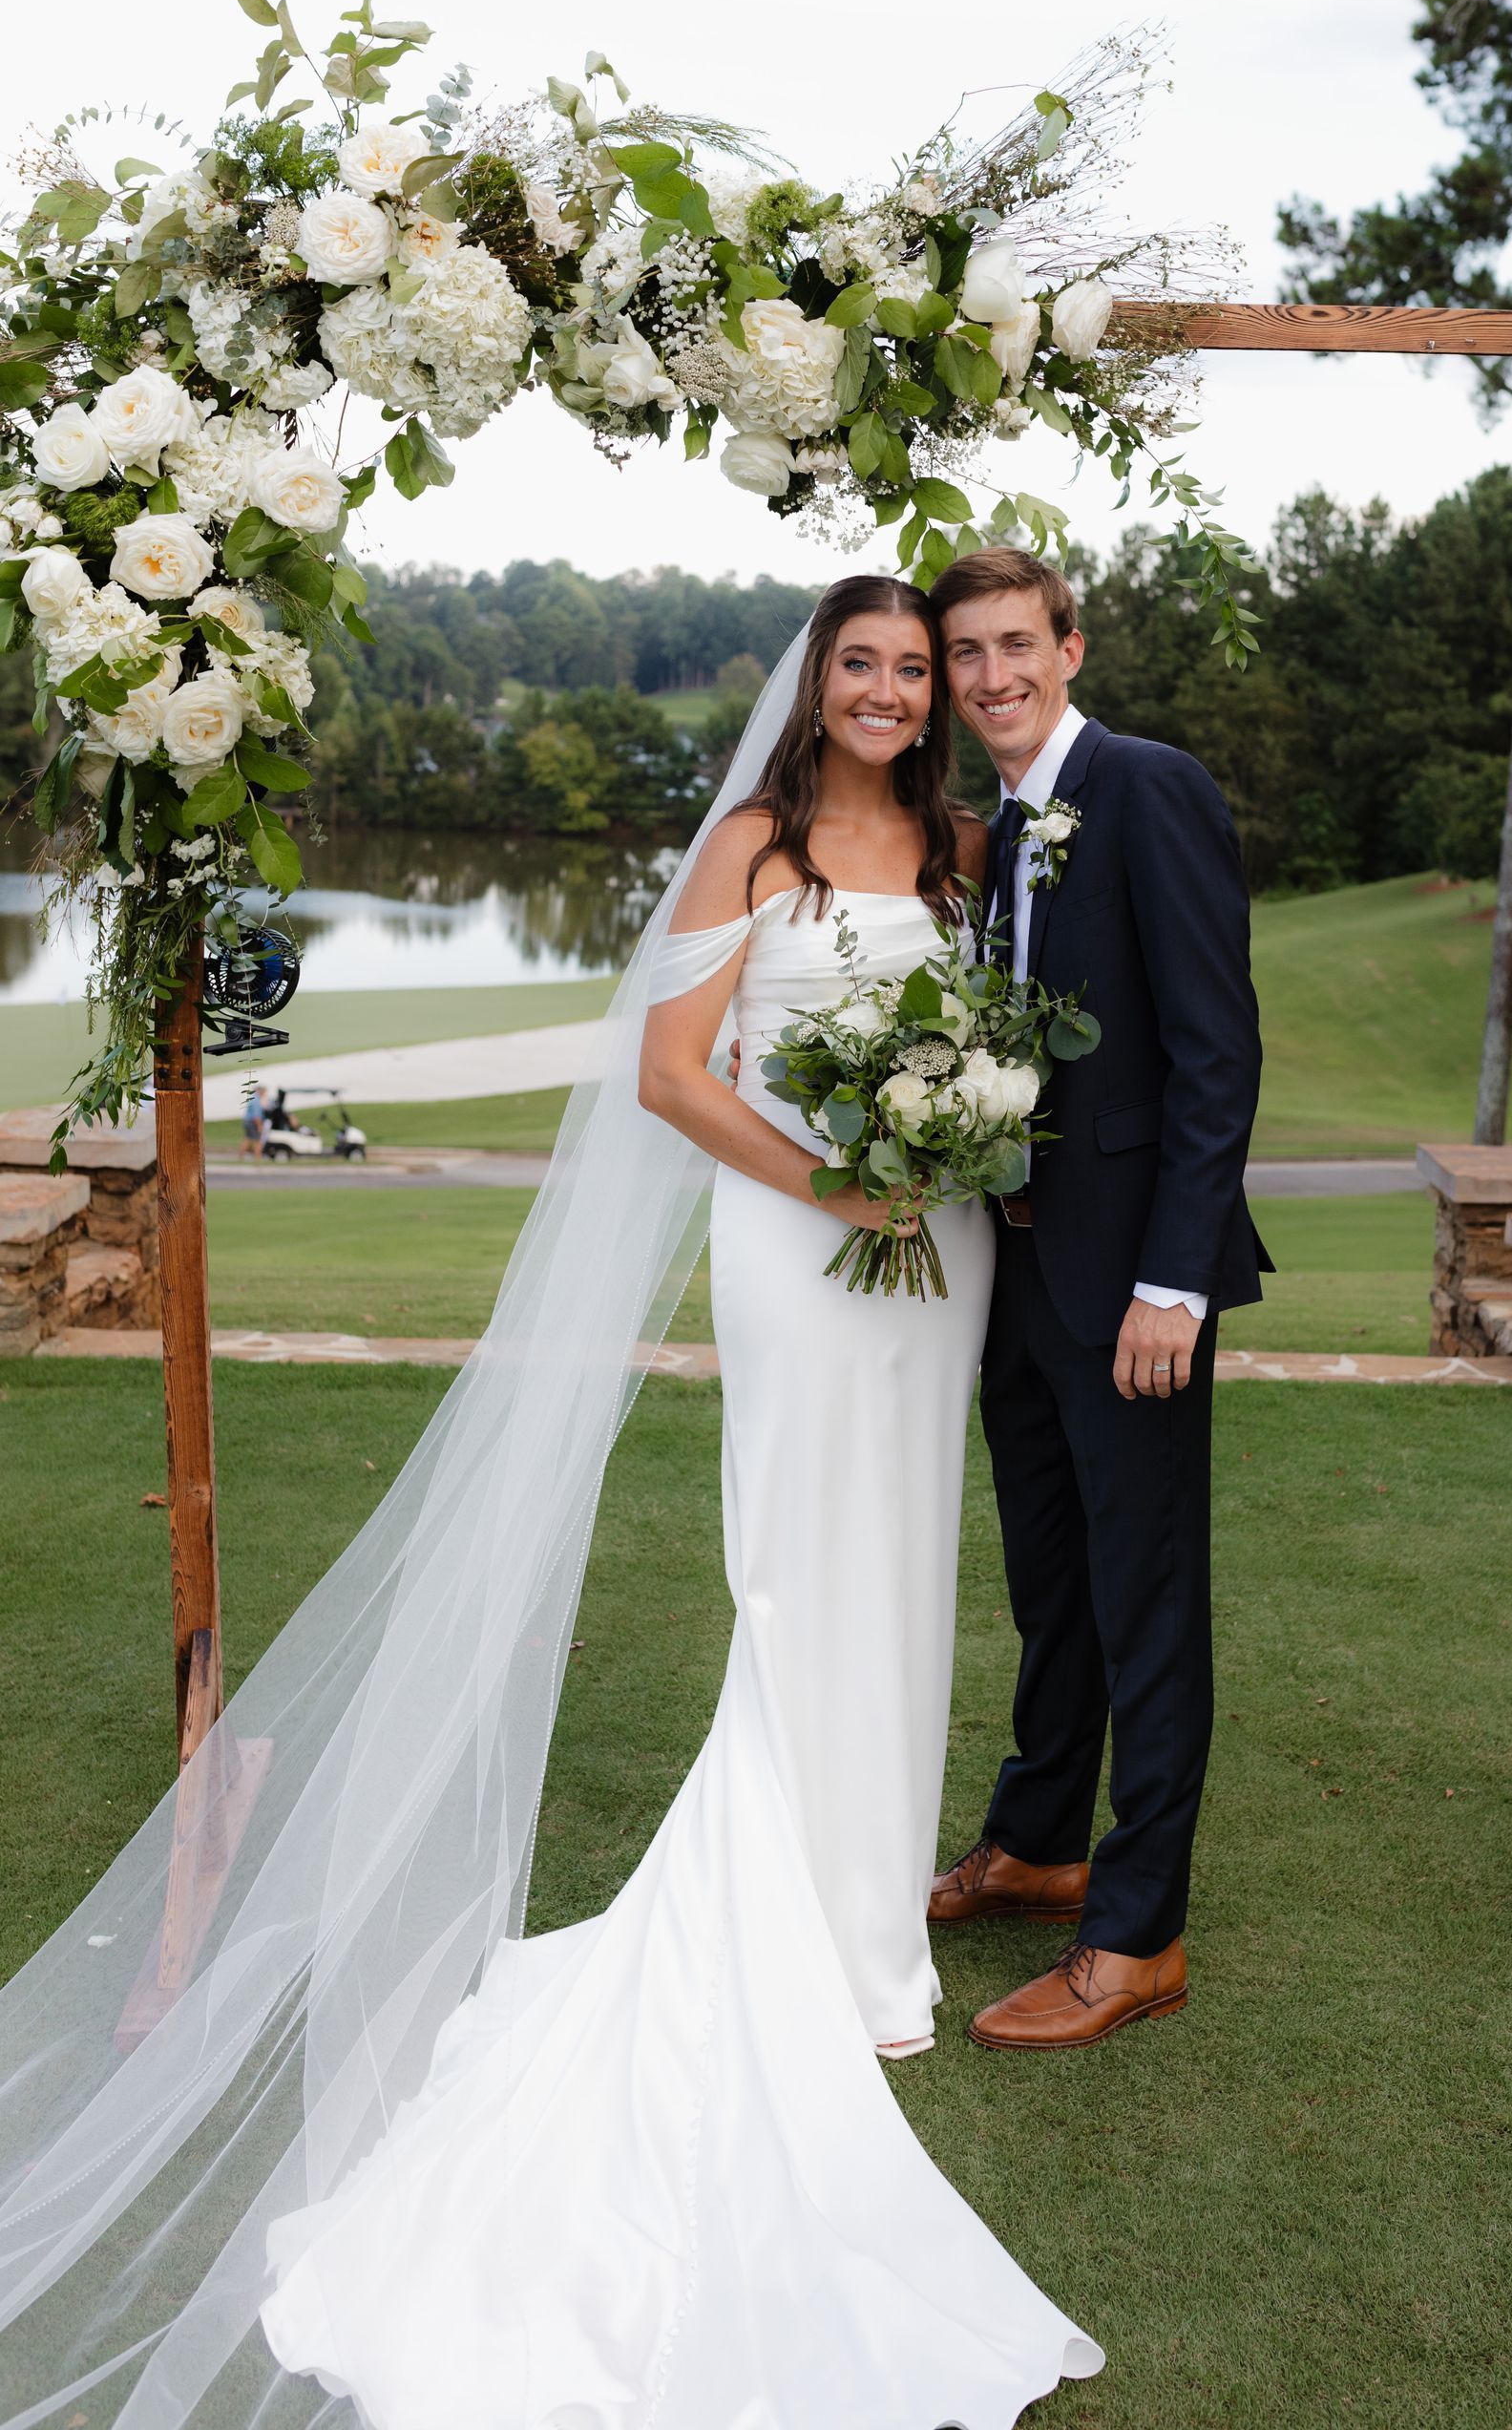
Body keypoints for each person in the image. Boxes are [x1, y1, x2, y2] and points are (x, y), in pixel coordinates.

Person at [0, 582, 1102, 2427]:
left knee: (909, 1574)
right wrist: (836, 1188)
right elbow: (673, 1077)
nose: (900, 692)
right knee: (796, 1573)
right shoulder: (752, 843)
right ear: (817, 684)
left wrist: (942, 1154)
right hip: (800, 1244)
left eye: (921, 668)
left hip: (946, 1249)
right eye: (870, 664)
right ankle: (785, 1923)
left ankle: (867, 1933)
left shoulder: (965, 845)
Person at [925, 545, 1268, 2051]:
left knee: (1144, 1602)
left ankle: (1138, 1934)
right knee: (1049, 1584)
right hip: (1017, 1273)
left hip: (1133, 1287)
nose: (990, 677)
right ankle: (1041, 1840)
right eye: (964, 657)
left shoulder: (1146, 785)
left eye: (1016, 645)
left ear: (1071, 646)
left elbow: (1215, 1055)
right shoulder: (999, 829)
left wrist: (1173, 1284)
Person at [240, 1085, 268, 1160]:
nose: (265, 1094)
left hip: (247, 1121)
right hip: (252, 1122)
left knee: (247, 1139)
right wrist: (260, 1126)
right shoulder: (256, 1100)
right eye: (264, 1092)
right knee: (257, 1140)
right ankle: (258, 1158)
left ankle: (241, 1157)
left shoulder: (252, 1098)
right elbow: (256, 1116)